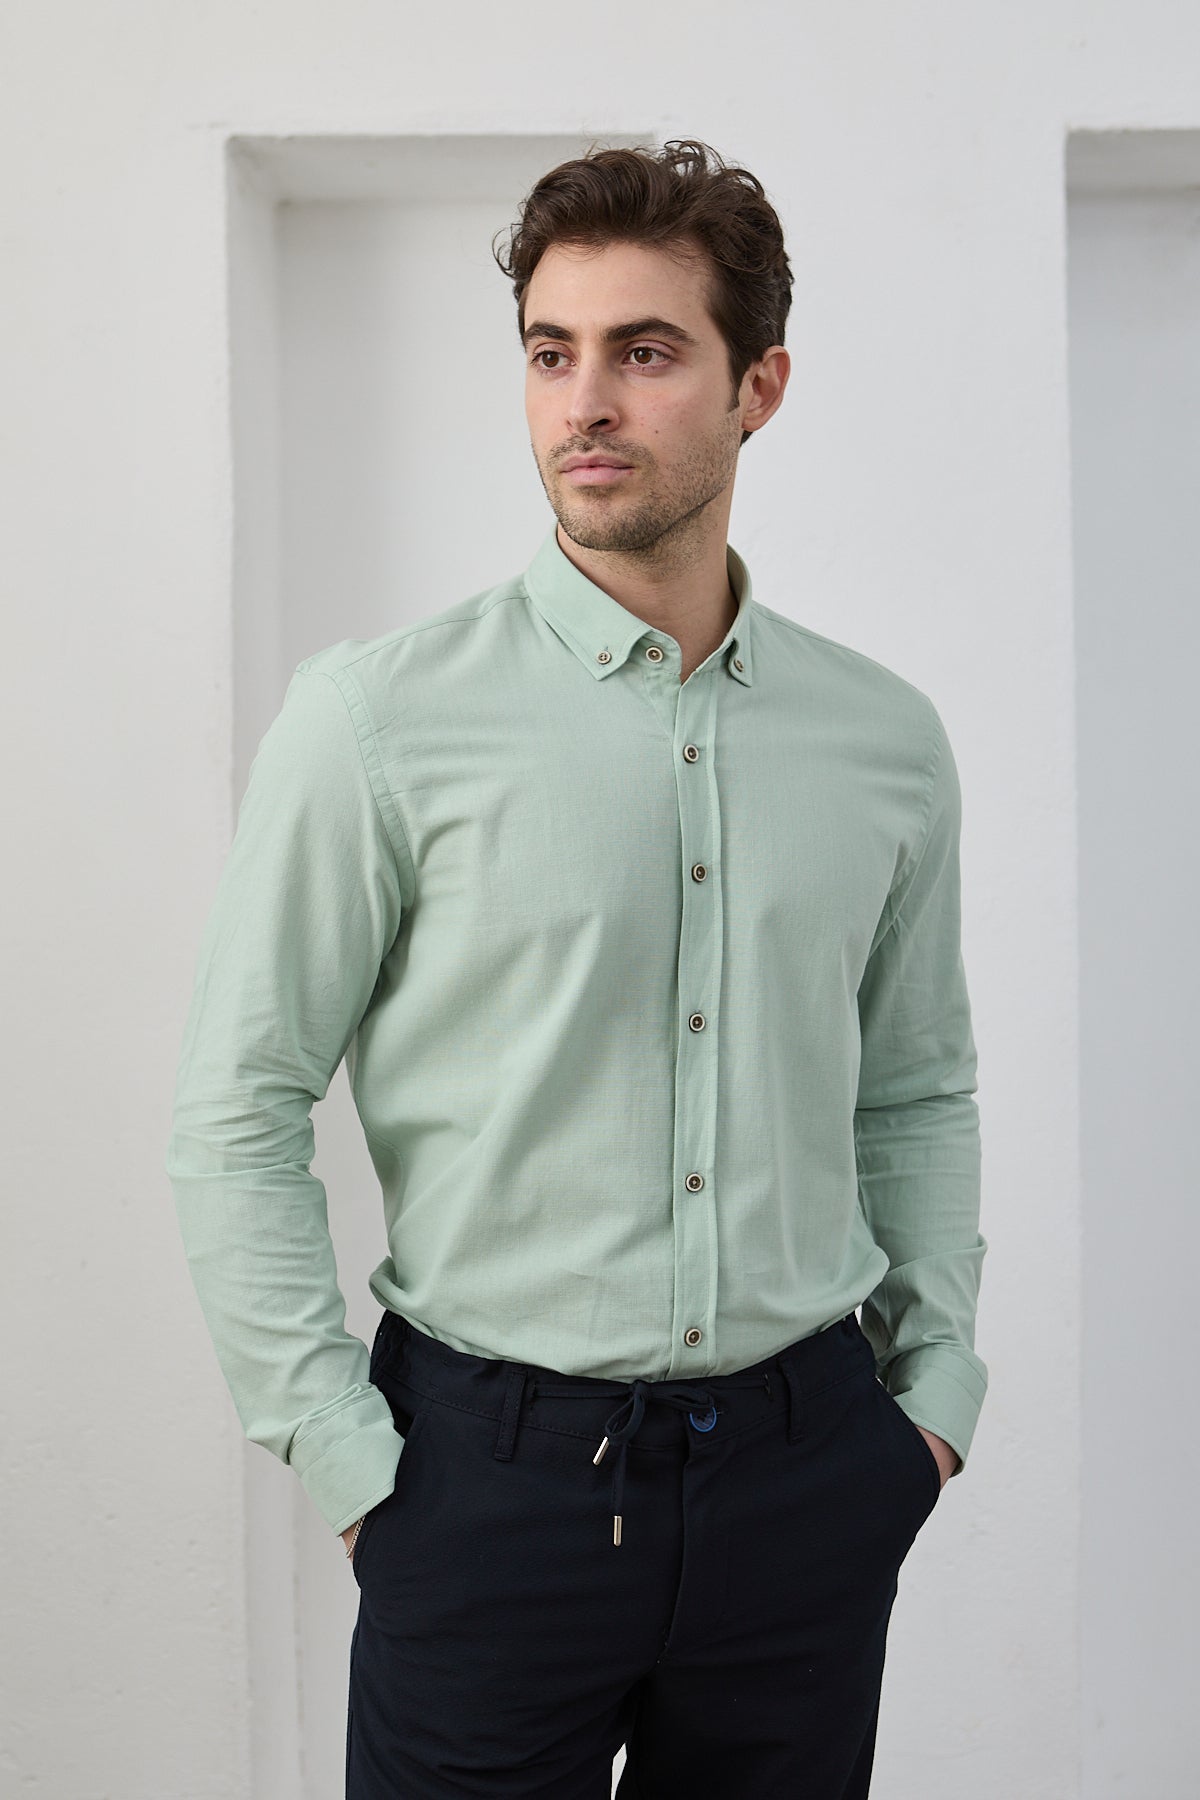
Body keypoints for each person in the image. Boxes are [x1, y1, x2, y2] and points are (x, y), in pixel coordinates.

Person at [166, 138, 987, 1799]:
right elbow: (238, 1107)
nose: (585, 403)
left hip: (809, 1482)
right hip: (487, 1494)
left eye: (646, 351)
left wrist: (931, 1399)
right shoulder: (378, 721)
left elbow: (914, 1088)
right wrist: (350, 1461)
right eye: (552, 353)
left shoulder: (885, 742)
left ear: (759, 386)